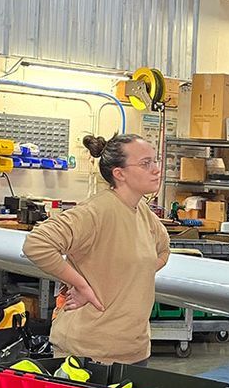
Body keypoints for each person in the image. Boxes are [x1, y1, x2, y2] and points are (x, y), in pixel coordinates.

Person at [23, 134, 170, 365]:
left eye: (155, 161)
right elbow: (38, 244)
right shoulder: (96, 211)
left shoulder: (141, 211)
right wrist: (81, 284)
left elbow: (163, 251)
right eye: (145, 163)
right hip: (88, 353)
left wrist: (128, 279)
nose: (156, 169)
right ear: (119, 174)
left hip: (134, 350)